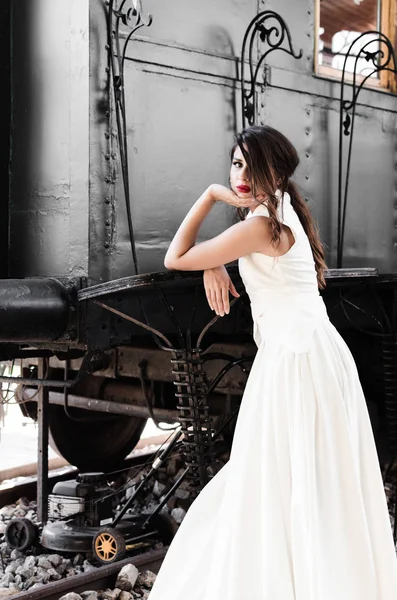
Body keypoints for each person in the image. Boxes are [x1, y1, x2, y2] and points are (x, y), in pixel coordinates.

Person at [148, 125, 397, 600]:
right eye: (235, 164)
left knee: (286, 481)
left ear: (276, 172)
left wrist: (209, 196)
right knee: (301, 481)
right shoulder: (279, 214)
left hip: (296, 363)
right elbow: (222, 250)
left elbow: (174, 256)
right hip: (309, 355)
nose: (239, 176)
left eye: (251, 165)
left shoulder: (261, 226)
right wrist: (215, 261)